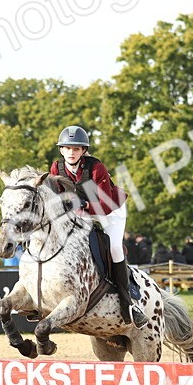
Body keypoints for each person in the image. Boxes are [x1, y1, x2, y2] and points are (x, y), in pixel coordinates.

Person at [49, 125, 147, 328]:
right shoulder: (55, 168)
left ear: (83, 151)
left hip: (110, 210)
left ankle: (129, 304)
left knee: (114, 248)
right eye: (67, 148)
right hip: (80, 212)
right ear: (61, 150)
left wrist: (83, 205)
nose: (71, 152)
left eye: (76, 149)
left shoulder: (96, 168)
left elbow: (105, 205)